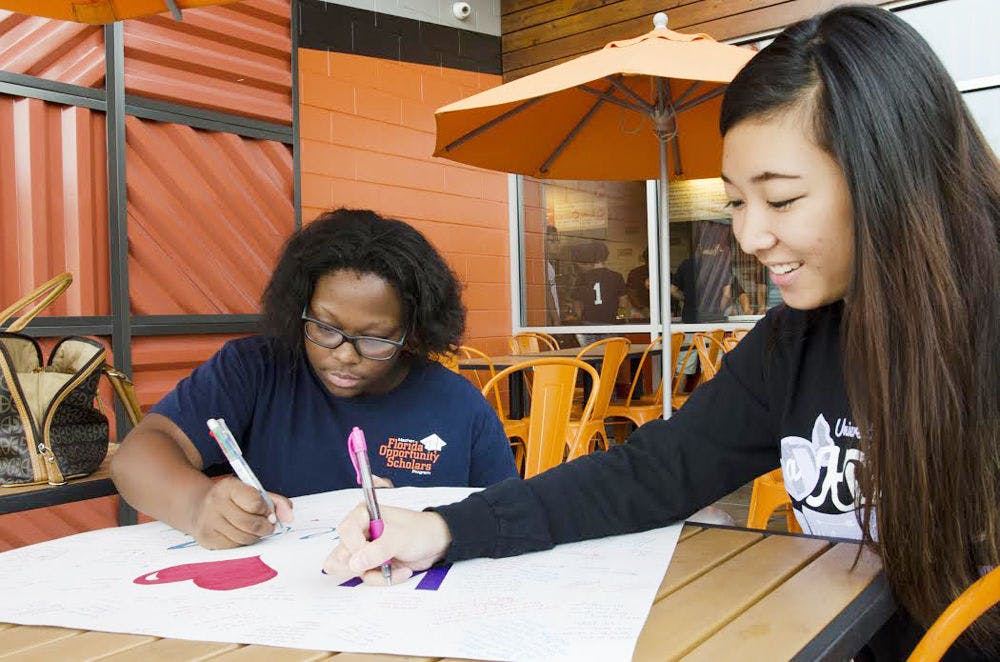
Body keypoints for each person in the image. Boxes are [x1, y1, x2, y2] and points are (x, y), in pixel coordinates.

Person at [324, 7, 999, 659]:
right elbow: (651, 471)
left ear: (890, 177)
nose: (751, 236)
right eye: (736, 200)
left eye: (783, 198)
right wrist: (447, 528)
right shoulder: (791, 343)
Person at [111, 208, 518, 550]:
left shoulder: (458, 407)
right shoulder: (256, 369)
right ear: (299, 307)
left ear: (412, 332)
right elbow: (136, 458)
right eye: (325, 328)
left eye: (374, 339)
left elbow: (507, 519)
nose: (343, 354)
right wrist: (197, 505)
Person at [569, 240, 628, 345]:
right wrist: (621, 318)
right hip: (611, 323)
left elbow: (576, 302)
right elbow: (623, 302)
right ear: (606, 256)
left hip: (588, 323)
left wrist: (581, 317)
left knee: (590, 356)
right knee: (609, 357)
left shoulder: (582, 277)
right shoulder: (616, 276)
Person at [625, 249, 650, 320]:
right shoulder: (635, 273)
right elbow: (630, 293)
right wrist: (642, 308)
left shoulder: (665, 272)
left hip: (660, 312)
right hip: (639, 313)